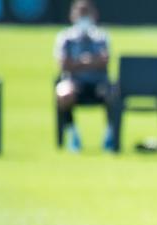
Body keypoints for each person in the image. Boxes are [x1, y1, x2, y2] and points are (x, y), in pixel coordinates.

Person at [54, 0, 112, 153]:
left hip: (98, 84)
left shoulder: (101, 36)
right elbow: (64, 65)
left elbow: (105, 61)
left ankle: (110, 135)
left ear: (94, 15)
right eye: (81, 13)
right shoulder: (65, 37)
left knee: (113, 93)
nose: (84, 17)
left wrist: (78, 63)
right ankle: (72, 134)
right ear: (72, 15)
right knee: (64, 93)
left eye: (87, 13)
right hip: (74, 84)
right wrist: (91, 61)